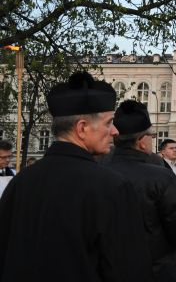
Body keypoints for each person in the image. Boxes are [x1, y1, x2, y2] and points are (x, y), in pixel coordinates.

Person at [0, 71, 151, 281]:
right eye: (109, 123)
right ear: (82, 128)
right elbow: (129, 271)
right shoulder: (112, 187)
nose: (115, 131)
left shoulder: (20, 182)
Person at [108, 100, 176, 282]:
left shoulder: (97, 168)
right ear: (141, 142)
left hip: (109, 269)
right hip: (154, 270)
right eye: (151, 135)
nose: (153, 139)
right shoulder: (161, 177)